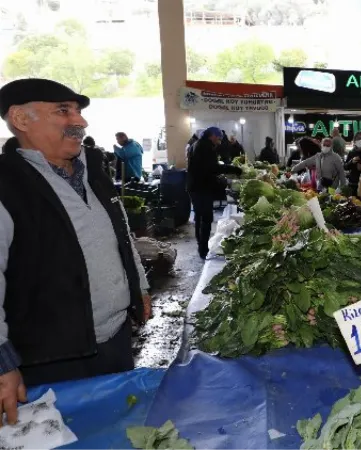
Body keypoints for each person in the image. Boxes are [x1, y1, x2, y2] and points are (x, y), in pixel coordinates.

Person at [0, 79, 151, 415]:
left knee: (123, 423)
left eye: (79, 112)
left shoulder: (93, 168)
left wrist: (138, 286)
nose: (80, 122)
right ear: (21, 120)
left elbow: (121, 232)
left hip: (115, 340)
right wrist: (3, 362)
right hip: (52, 356)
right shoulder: (7, 185)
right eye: (63, 111)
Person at [187, 127, 242, 259]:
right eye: (219, 137)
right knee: (206, 218)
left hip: (194, 186)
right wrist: (233, 169)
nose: (220, 140)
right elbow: (213, 168)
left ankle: (201, 245)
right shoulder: (205, 147)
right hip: (201, 188)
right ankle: (204, 249)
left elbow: (205, 168)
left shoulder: (197, 144)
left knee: (199, 217)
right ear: (212, 136)